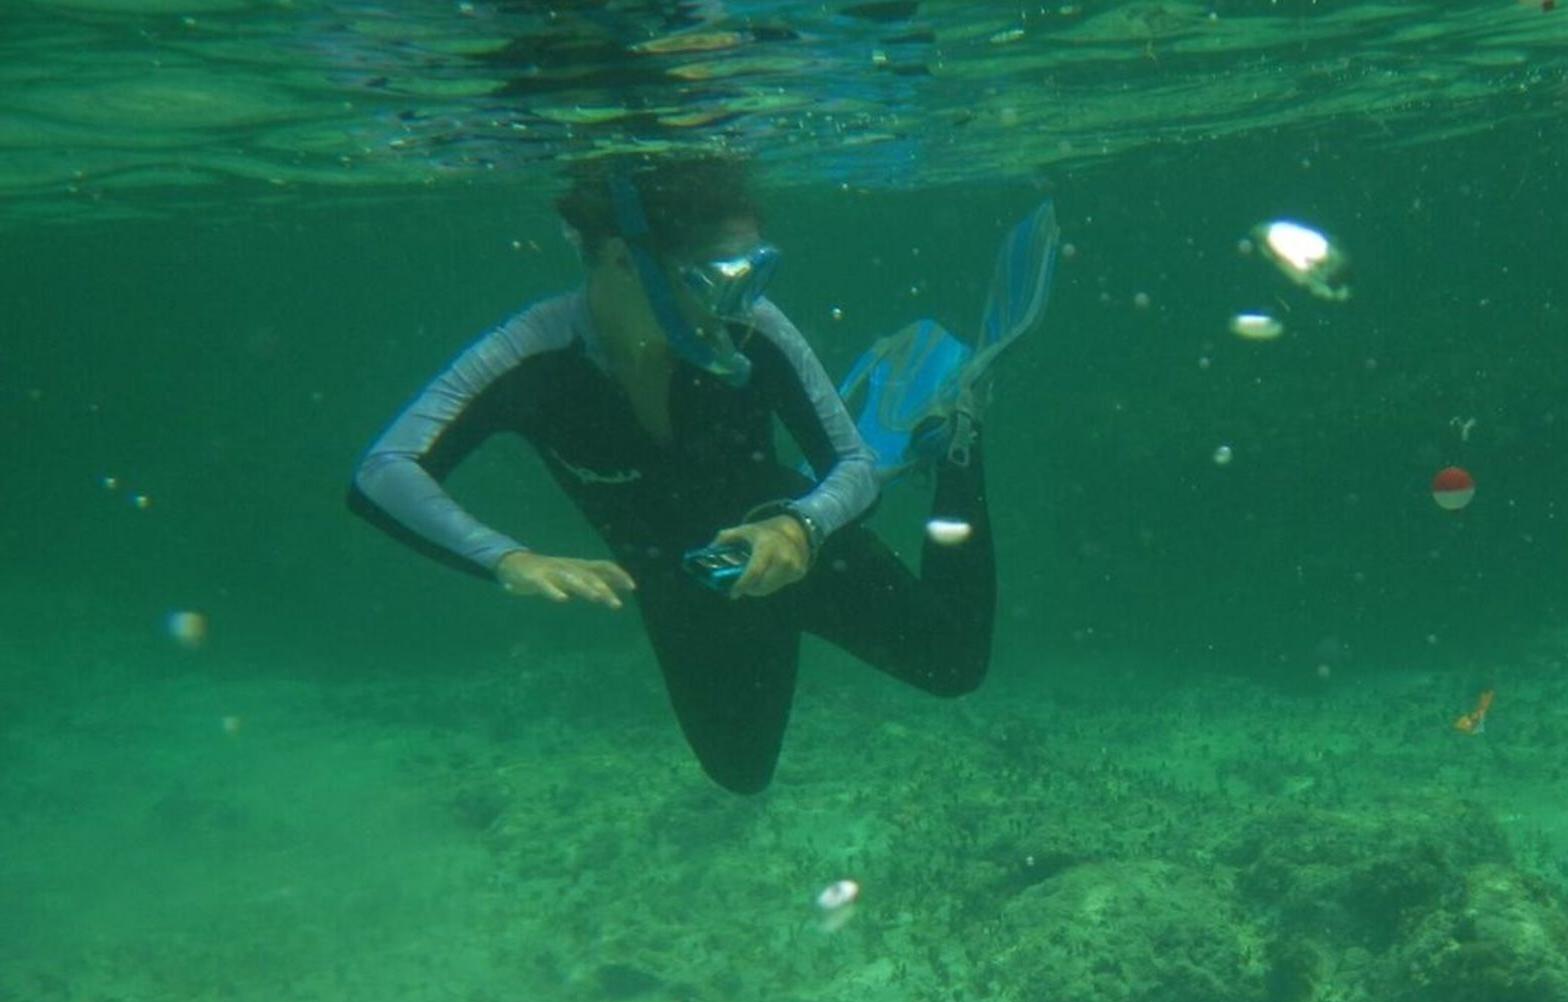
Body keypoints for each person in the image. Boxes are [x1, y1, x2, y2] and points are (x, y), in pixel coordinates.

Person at [348, 152, 1056, 794]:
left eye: (759, 271)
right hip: (690, 581)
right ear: (624, 261)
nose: (742, 301)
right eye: (720, 278)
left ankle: (958, 430)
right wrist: (507, 559)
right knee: (740, 772)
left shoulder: (756, 328)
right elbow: (385, 469)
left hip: (791, 538)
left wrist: (801, 526)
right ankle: (896, 438)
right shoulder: (530, 355)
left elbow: (852, 469)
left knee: (953, 664)